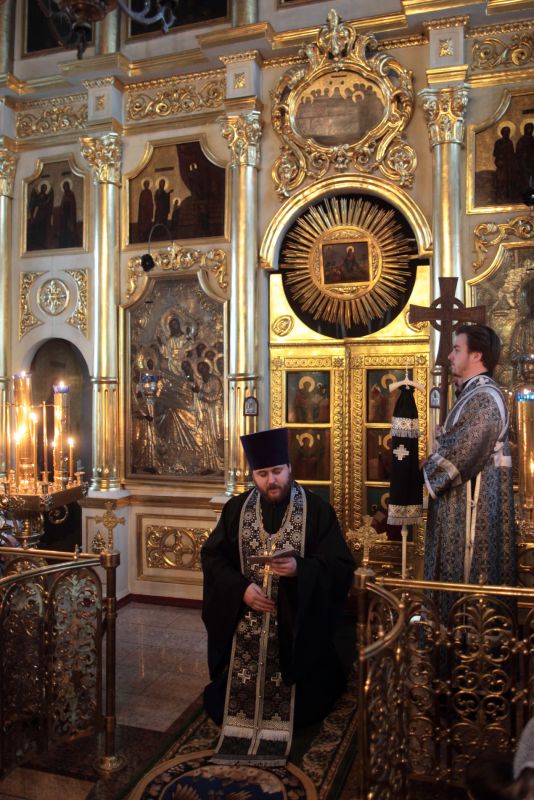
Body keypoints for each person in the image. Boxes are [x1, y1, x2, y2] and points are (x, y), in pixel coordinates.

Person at [201, 427, 355, 764]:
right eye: (262, 473)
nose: (271, 481)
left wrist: (302, 569)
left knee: (307, 706)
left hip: (296, 631)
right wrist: (241, 590)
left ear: (289, 468)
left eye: (277, 471)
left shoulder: (317, 510)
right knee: (222, 701)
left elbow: (340, 565)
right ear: (253, 475)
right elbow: (213, 559)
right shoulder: (235, 510)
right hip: (246, 627)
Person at [422, 324, 516, 620]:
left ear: (477, 355)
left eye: (456, 349)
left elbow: (463, 452)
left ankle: (465, 647)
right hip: (455, 513)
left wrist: (425, 465)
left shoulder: (485, 398)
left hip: (474, 519)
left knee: (469, 605)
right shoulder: (472, 395)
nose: (449, 356)